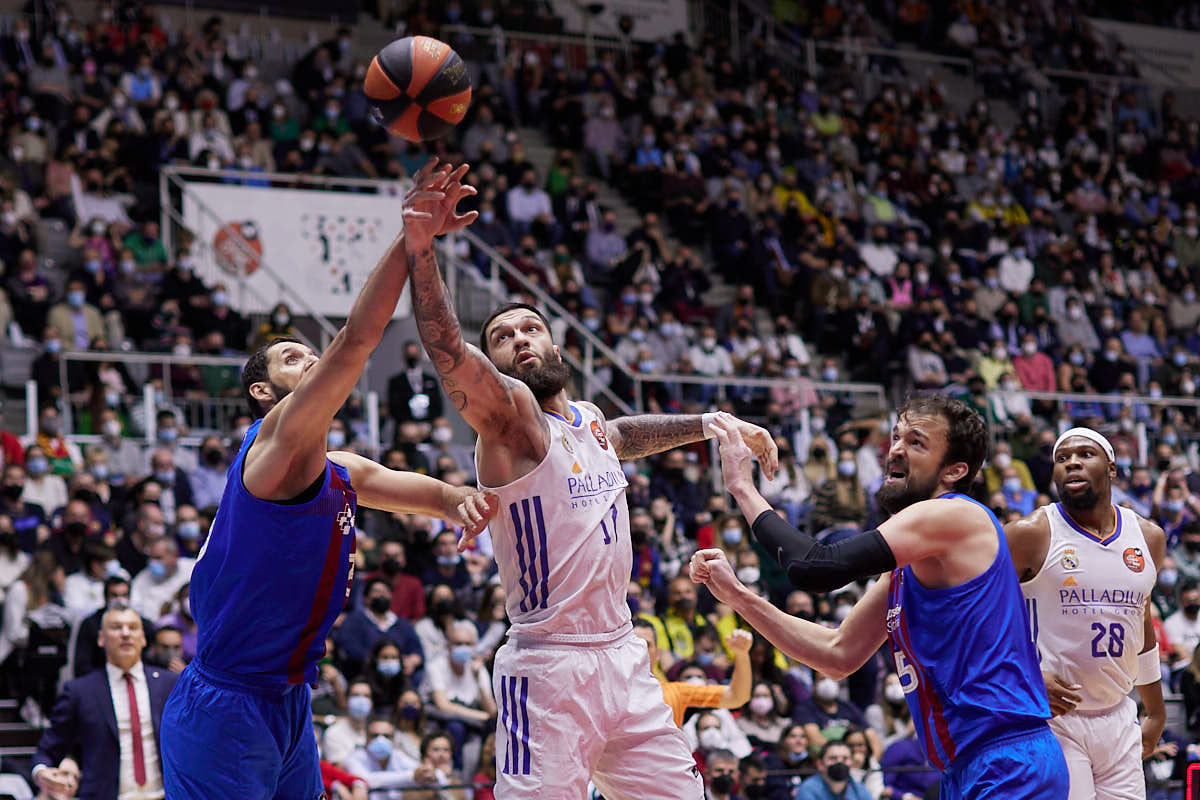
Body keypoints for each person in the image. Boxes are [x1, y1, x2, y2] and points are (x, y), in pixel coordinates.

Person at [404, 168, 778, 799]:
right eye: (502, 338)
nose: (519, 340)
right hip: (549, 667)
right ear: (494, 366)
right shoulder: (511, 424)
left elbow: (623, 437)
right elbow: (447, 353)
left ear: (556, 342)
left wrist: (710, 422)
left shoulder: (588, 421)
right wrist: (421, 253)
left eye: (530, 329)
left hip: (625, 654)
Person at [159, 161, 499, 800]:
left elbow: (408, 487)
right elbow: (357, 340)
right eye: (293, 359)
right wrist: (412, 242)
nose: (311, 363)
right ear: (264, 392)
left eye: (311, 357)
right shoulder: (275, 446)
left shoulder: (334, 468)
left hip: (288, 700)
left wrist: (459, 500)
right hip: (225, 704)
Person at [691, 395, 1067, 798]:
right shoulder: (912, 563)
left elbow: (817, 567)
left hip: (1008, 762)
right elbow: (837, 653)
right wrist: (739, 597)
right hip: (967, 767)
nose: (897, 449)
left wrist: (742, 487)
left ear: (955, 470)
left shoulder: (954, 514)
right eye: (896, 437)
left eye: (917, 442)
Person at [1007, 427, 1166, 798]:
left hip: (1119, 715)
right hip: (1053, 718)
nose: (1072, 462)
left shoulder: (1148, 538)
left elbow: (1140, 626)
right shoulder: (1030, 533)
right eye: (1062, 459)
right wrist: (1024, 673)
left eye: (1084, 454)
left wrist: (1156, 712)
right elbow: (979, 612)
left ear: (1111, 469)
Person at [32, 606, 178, 799]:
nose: (125, 634)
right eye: (116, 627)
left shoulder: (170, 684)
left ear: (143, 638)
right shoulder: (80, 691)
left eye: (132, 627)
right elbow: (48, 749)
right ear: (101, 638)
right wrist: (41, 772)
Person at [632, 618, 752, 727]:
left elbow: (736, 696)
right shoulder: (612, 696)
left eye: (646, 645)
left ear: (657, 654)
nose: (640, 650)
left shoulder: (676, 692)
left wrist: (741, 654)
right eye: (633, 644)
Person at [794, 741, 873, 800]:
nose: (839, 762)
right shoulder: (808, 789)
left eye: (845, 758)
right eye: (833, 758)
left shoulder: (859, 789)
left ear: (851, 763)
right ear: (820, 764)